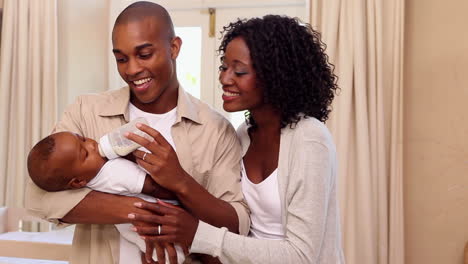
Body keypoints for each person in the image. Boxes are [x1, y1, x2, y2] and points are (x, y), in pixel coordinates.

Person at [25, 2, 249, 264]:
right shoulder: (86, 112)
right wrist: (138, 211)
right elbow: (38, 197)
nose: (131, 70)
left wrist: (180, 185)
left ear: (174, 48)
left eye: (144, 55)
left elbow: (237, 225)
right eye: (121, 59)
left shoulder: (216, 130)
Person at [128, 15, 346, 263]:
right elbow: (240, 229)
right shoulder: (243, 135)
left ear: (275, 75)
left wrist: (197, 234)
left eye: (239, 71)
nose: (224, 78)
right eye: (224, 67)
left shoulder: (309, 138)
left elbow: (301, 256)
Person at [26, 131, 185, 263]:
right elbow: (154, 187)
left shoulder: (89, 180)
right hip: (165, 225)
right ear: (78, 182)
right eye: (86, 153)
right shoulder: (112, 172)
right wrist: (182, 192)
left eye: (82, 138)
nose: (91, 144)